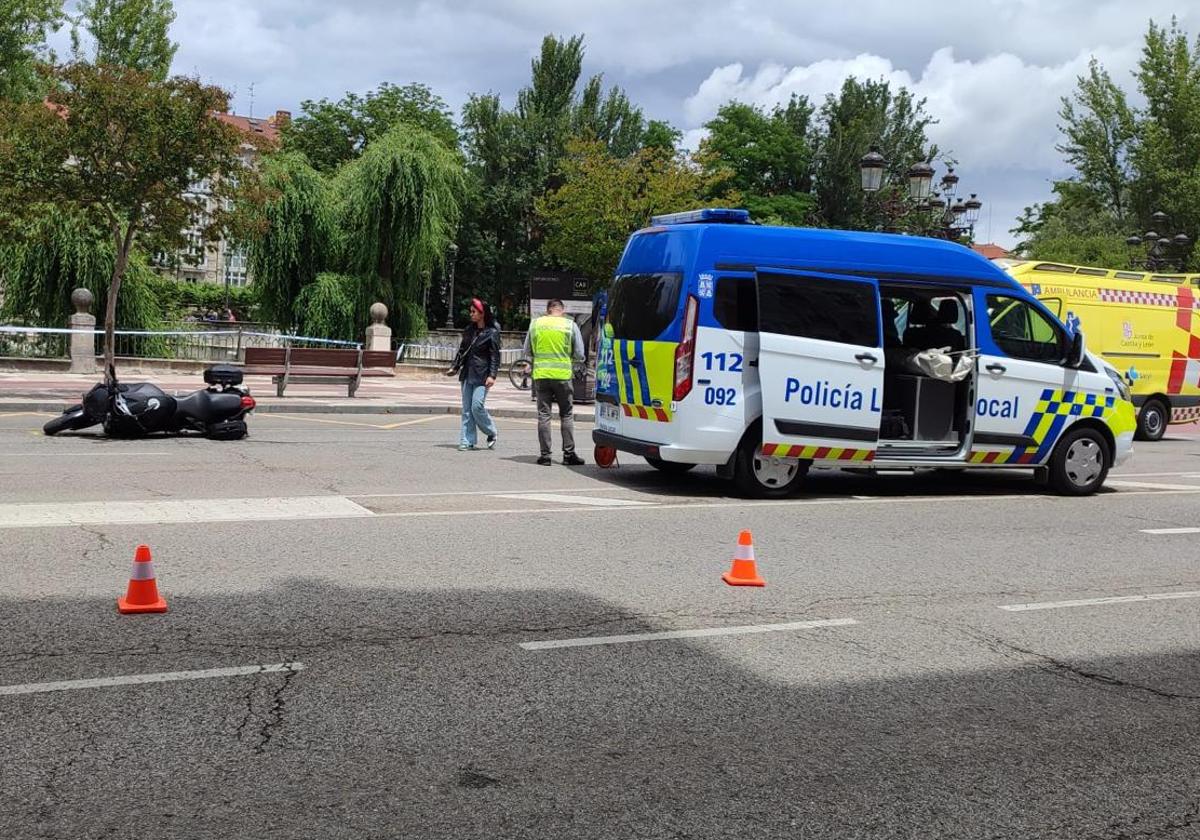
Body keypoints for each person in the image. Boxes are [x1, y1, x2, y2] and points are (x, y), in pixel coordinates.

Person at [524, 298, 585, 466]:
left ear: (548, 310)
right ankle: (568, 454)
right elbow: (580, 354)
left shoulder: (535, 325)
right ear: (562, 310)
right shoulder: (569, 325)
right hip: (563, 376)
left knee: (544, 415)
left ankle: (545, 456)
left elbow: (527, 351)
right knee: (566, 415)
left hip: (541, 376)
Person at [446, 298, 501, 451]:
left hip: (482, 374)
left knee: (477, 406)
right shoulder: (469, 330)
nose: (470, 314)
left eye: (473, 311)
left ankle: (491, 431)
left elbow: (495, 356)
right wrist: (454, 367)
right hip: (467, 373)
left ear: (482, 314)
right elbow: (462, 351)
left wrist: (492, 375)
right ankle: (467, 440)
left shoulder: (492, 333)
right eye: (470, 311)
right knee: (467, 410)